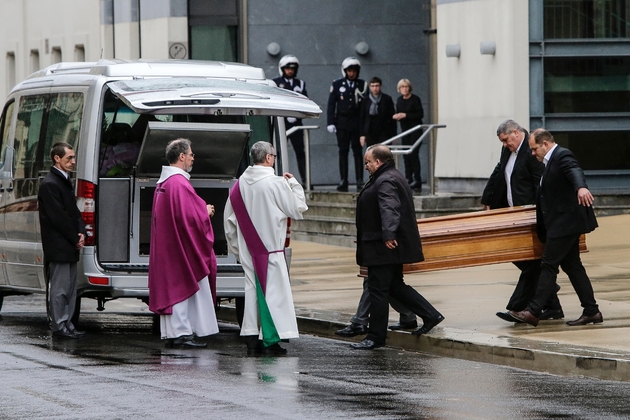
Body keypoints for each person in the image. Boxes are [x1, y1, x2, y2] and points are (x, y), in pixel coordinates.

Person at [350, 145, 444, 350]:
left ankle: (375, 337)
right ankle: (431, 315)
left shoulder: (386, 180)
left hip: (382, 246)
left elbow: (389, 207)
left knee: (377, 289)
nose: (366, 166)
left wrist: (388, 234)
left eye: (368, 162)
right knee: (394, 286)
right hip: (383, 243)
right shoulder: (388, 176)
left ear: (378, 161)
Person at [509, 128, 602, 327]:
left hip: (565, 224)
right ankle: (592, 311)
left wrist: (581, 187)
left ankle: (533, 311)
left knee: (548, 265)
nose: (533, 153)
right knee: (573, 267)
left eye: (534, 149)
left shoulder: (562, 155)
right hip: (561, 223)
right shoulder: (548, 161)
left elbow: (574, 170)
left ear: (545, 144)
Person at [224, 141, 308, 356]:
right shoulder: (276, 183)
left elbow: (229, 224)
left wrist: (237, 249)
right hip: (271, 250)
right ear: (269, 158)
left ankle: (252, 337)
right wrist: (295, 185)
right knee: (274, 296)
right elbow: (297, 208)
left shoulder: (238, 185)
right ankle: (270, 340)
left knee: (252, 292)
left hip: (249, 250)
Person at [481, 120, 563, 324]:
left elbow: (540, 183)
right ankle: (552, 302)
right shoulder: (507, 151)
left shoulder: (531, 151)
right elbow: (499, 171)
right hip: (511, 215)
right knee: (523, 259)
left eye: (506, 140)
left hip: (529, 216)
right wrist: (487, 198)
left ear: (516, 133)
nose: (504, 144)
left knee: (532, 265)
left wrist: (538, 212)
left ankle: (517, 307)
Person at [148, 138, 219, 349]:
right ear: (181, 156)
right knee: (181, 285)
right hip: (179, 248)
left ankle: (176, 332)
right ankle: (181, 333)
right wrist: (205, 212)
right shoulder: (179, 183)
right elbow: (189, 218)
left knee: (174, 286)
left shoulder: (164, 183)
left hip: (169, 246)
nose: (192, 158)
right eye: (190, 154)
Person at [38, 142, 87, 339]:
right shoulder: (50, 184)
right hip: (59, 244)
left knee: (70, 288)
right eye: (69, 158)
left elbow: (75, 213)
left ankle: (68, 324)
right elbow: (58, 217)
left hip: (68, 243)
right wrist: (76, 237)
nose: (73, 162)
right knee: (59, 289)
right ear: (57, 159)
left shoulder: (63, 181)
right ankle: (59, 325)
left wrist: (82, 232)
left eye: (74, 158)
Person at [327, 56, 368, 191]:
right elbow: (331, 105)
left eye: (354, 71)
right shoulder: (337, 84)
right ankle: (343, 180)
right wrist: (331, 122)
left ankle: (359, 180)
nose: (352, 73)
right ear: (345, 71)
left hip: (356, 123)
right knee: (343, 152)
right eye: (349, 71)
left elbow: (364, 108)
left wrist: (364, 128)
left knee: (358, 152)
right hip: (342, 123)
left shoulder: (362, 85)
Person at [273, 54, 309, 187]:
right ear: (282, 69)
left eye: (292, 69)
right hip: (283, 122)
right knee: (278, 152)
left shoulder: (300, 83)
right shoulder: (276, 83)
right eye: (287, 68)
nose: (290, 71)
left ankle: (306, 180)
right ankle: (277, 178)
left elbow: (305, 100)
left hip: (296, 123)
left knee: (300, 152)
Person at [392, 78, 424, 190]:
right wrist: (397, 116)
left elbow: (420, 114)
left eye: (406, 87)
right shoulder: (399, 100)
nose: (404, 89)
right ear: (399, 89)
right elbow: (398, 113)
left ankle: (417, 179)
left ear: (409, 88)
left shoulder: (415, 99)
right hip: (405, 131)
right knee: (406, 155)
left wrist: (405, 115)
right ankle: (408, 178)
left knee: (413, 154)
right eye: (402, 87)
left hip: (415, 130)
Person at [359, 76, 396, 148]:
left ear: (380, 86)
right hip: (370, 131)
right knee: (372, 153)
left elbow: (392, 118)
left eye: (377, 86)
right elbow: (362, 118)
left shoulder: (387, 99)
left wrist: (394, 135)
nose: (374, 88)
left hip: (384, 131)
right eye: (372, 86)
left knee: (384, 153)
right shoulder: (366, 100)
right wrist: (362, 135)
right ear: (369, 87)